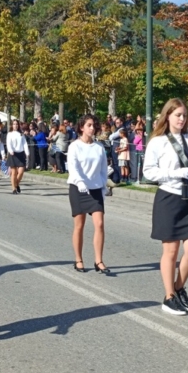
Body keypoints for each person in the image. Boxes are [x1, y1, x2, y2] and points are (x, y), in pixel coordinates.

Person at [142, 98, 188, 315]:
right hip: (169, 198)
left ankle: (179, 288)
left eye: (184, 115)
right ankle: (169, 296)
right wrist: (175, 173)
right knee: (170, 251)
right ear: (168, 116)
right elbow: (148, 172)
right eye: (177, 115)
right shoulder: (158, 142)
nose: (181, 119)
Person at [66, 114, 111, 274]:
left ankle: (98, 260)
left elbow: (103, 169)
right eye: (89, 125)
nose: (92, 128)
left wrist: (104, 186)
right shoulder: (74, 146)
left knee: (99, 224)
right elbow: (73, 167)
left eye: (94, 125)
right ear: (81, 127)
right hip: (78, 188)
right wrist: (80, 182)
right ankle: (78, 259)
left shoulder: (99, 147)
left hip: (95, 188)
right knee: (80, 225)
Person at [6, 119, 28, 194]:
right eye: (14, 124)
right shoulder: (10, 134)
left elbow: (24, 143)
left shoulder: (21, 134)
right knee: (14, 172)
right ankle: (14, 188)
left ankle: (16, 183)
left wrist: (27, 152)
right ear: (12, 125)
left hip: (21, 153)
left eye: (16, 124)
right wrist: (10, 150)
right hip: (13, 154)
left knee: (21, 171)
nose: (15, 125)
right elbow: (8, 143)